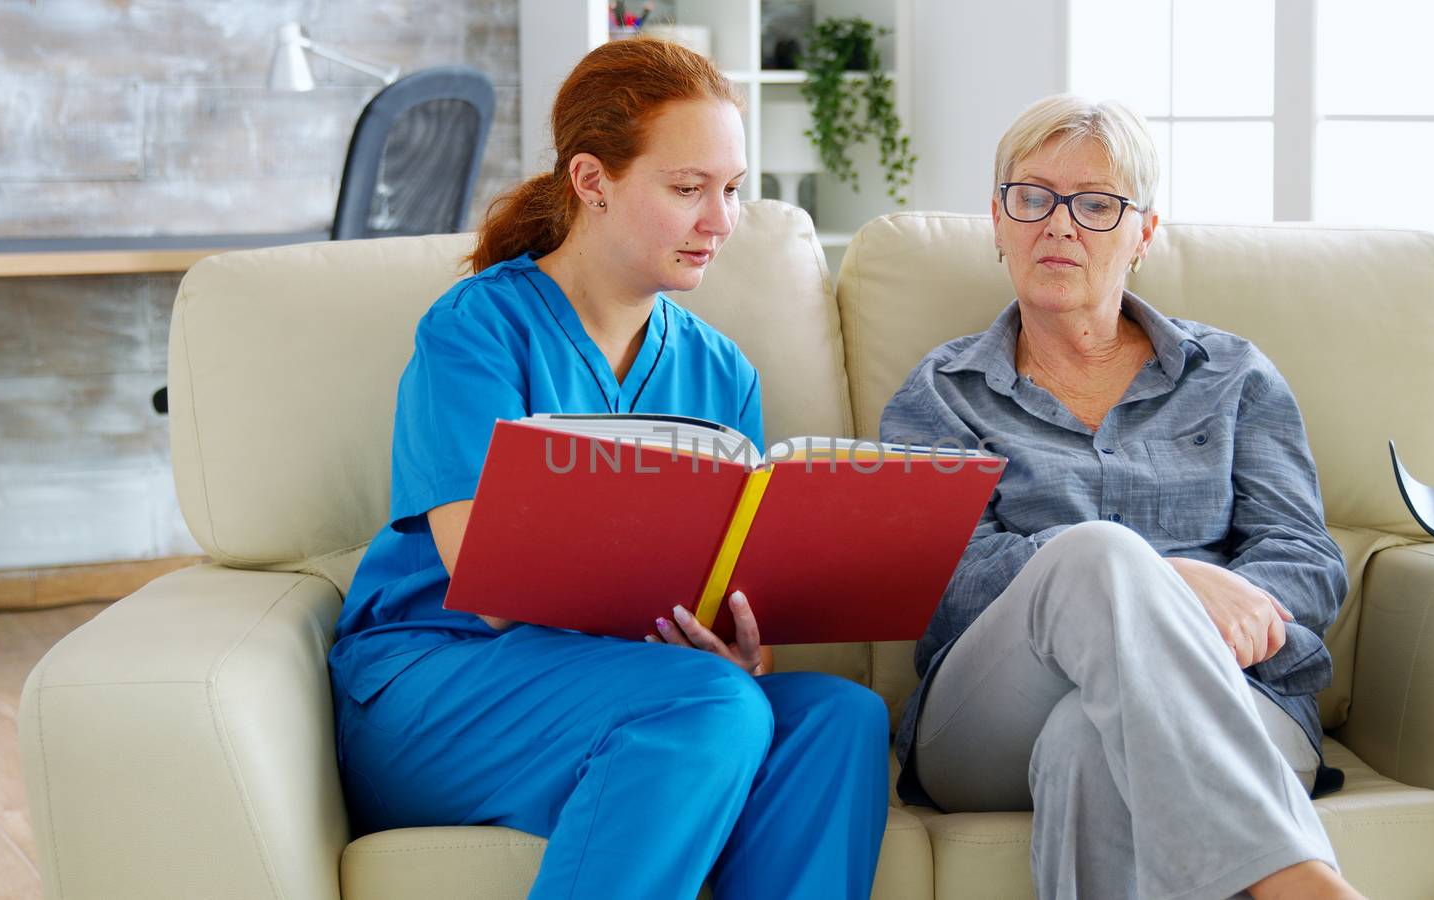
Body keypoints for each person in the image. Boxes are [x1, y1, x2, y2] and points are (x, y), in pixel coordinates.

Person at [329, 39, 888, 900]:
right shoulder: (476, 331)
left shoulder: (721, 371)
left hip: (632, 687)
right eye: (688, 188)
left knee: (842, 718)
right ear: (592, 181)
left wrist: (733, 637)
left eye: (732, 189)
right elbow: (487, 583)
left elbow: (724, 576)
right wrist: (694, 666)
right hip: (435, 686)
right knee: (711, 706)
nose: (721, 220)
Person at [880, 94, 1367, 899]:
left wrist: (1173, 613)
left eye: (1097, 205)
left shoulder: (1232, 375)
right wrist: (1164, 579)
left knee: (1089, 743)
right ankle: (1301, 883)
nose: (1059, 226)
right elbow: (937, 583)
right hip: (990, 717)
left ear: (1143, 233)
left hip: (1232, 693)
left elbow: (1308, 564)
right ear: (998, 221)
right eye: (1032, 198)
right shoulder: (943, 391)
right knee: (1097, 553)